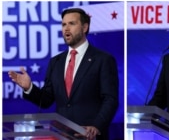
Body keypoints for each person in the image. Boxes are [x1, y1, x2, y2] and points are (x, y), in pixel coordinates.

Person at [8, 8, 119, 140]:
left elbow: (110, 99)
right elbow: (46, 100)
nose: (66, 29)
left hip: (89, 135)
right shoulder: (56, 62)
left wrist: (96, 126)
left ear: (84, 27)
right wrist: (29, 87)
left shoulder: (103, 59)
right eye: (64, 24)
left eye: (71, 24)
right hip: (60, 135)